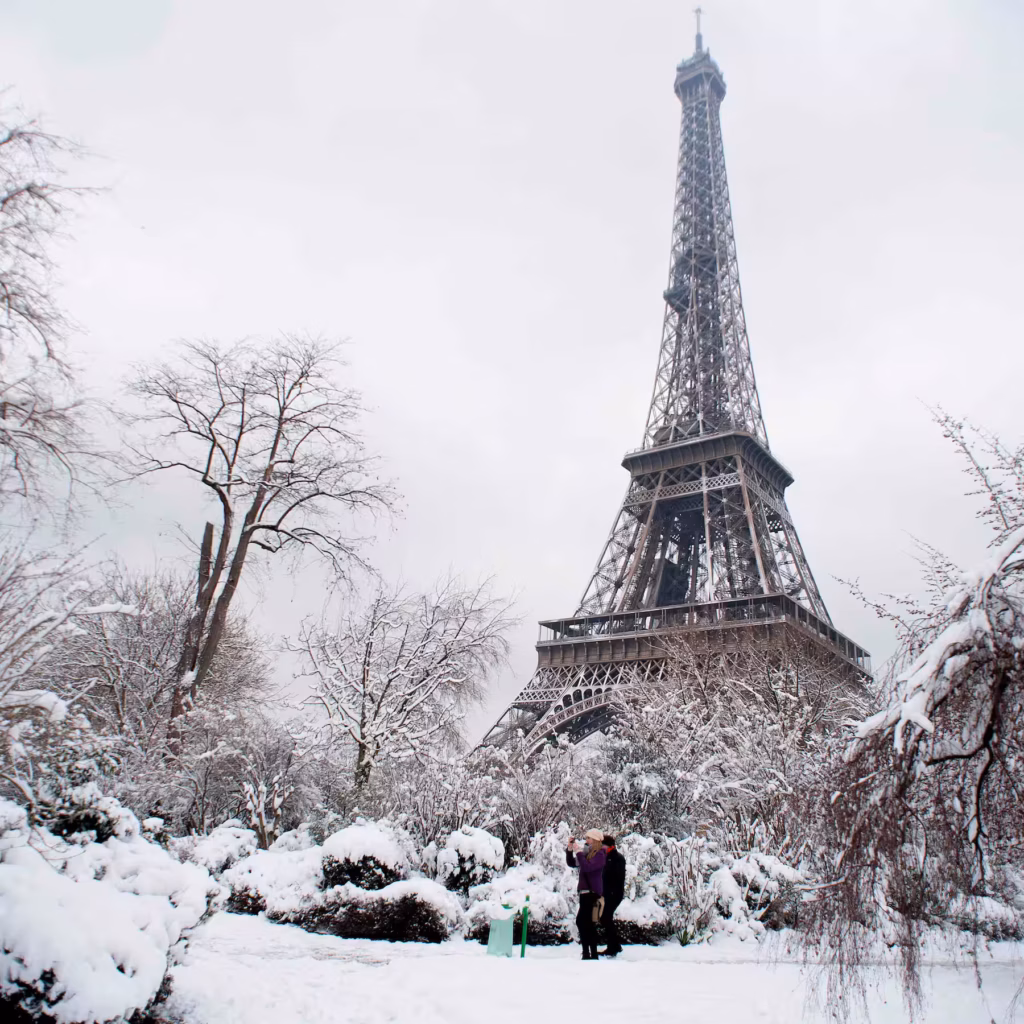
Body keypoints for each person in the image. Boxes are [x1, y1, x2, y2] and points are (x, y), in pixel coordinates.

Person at [565, 828, 607, 960]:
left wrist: (578, 852)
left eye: (588, 838)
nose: (586, 840)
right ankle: (589, 953)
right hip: (584, 892)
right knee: (586, 923)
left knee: (583, 921)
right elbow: (572, 863)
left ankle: (588, 953)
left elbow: (587, 867)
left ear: (595, 840)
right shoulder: (586, 853)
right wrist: (570, 849)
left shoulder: (600, 854)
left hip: (592, 892)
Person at [598, 834, 625, 957]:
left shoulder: (617, 858)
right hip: (606, 893)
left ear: (610, 846)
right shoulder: (606, 857)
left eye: (603, 846)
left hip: (614, 894)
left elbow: (616, 877)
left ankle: (613, 947)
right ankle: (615, 946)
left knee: (605, 918)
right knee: (605, 918)